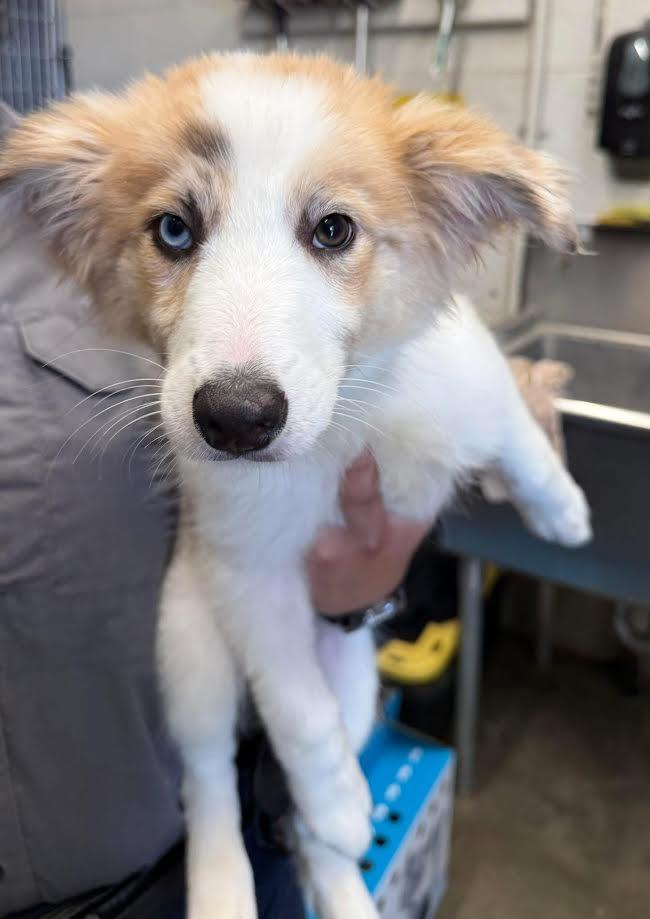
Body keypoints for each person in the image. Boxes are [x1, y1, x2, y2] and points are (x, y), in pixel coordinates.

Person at [0, 102, 429, 919]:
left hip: (229, 823)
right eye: (175, 233)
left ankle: (325, 855)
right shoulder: (100, 178)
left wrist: (363, 593)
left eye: (332, 231)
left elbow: (368, 488)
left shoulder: (83, 166)